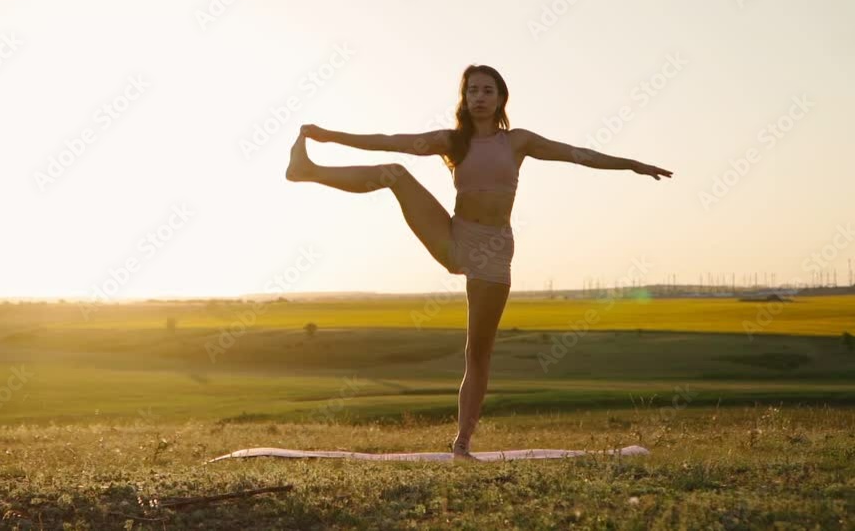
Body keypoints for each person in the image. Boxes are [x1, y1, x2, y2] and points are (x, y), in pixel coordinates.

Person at [285, 64, 673, 461]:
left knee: (478, 353)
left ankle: (462, 443)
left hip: (494, 250)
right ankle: (308, 171)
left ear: (501, 98)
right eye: (472, 91)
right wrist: (331, 136)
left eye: (488, 90)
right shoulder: (452, 141)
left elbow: (578, 154)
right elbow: (391, 140)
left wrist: (631, 164)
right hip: (453, 236)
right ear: (464, 98)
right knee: (395, 172)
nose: (480, 97)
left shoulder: (518, 142)